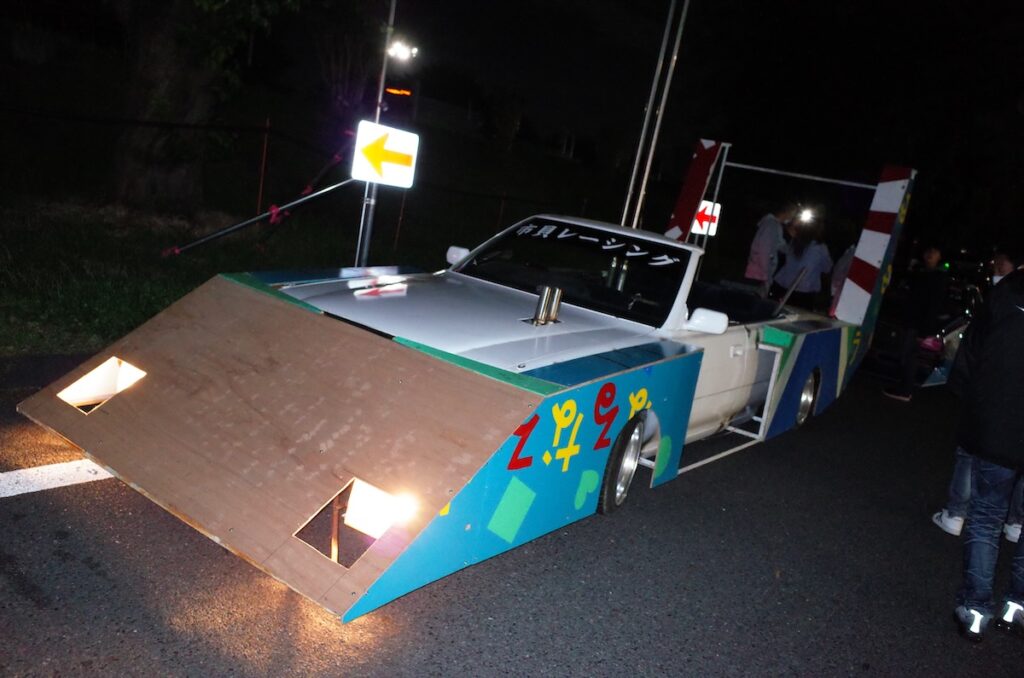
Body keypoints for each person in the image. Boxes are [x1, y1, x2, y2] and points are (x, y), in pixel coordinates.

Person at [948, 255, 1024, 641]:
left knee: (986, 516)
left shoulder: (1005, 294)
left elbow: (969, 358)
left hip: (998, 428)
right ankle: (1017, 605)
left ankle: (977, 609)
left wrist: (973, 409)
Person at [933, 249, 1024, 545]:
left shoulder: (1004, 294)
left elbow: (973, 347)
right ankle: (1014, 522)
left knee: (971, 454)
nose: (997, 269)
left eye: (1002, 264)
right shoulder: (1004, 294)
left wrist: (963, 386)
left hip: (992, 396)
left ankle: (958, 513)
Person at [882, 244, 949, 401]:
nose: (929, 254)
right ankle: (903, 387)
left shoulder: (938, 277)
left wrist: (925, 330)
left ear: (940, 256)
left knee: (909, 355)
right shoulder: (920, 272)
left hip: (918, 324)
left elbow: (933, 306)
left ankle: (905, 390)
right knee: (906, 354)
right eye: (928, 251)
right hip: (910, 320)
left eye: (934, 251)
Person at [769, 221, 833, 310]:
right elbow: (827, 268)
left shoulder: (795, 243)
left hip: (784, 286)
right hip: (804, 292)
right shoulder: (820, 248)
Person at [745, 203, 797, 296]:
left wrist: (792, 238)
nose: (792, 218)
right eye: (793, 214)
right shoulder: (771, 225)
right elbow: (764, 250)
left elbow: (782, 247)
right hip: (759, 275)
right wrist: (765, 276)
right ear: (787, 212)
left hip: (762, 274)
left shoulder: (776, 226)